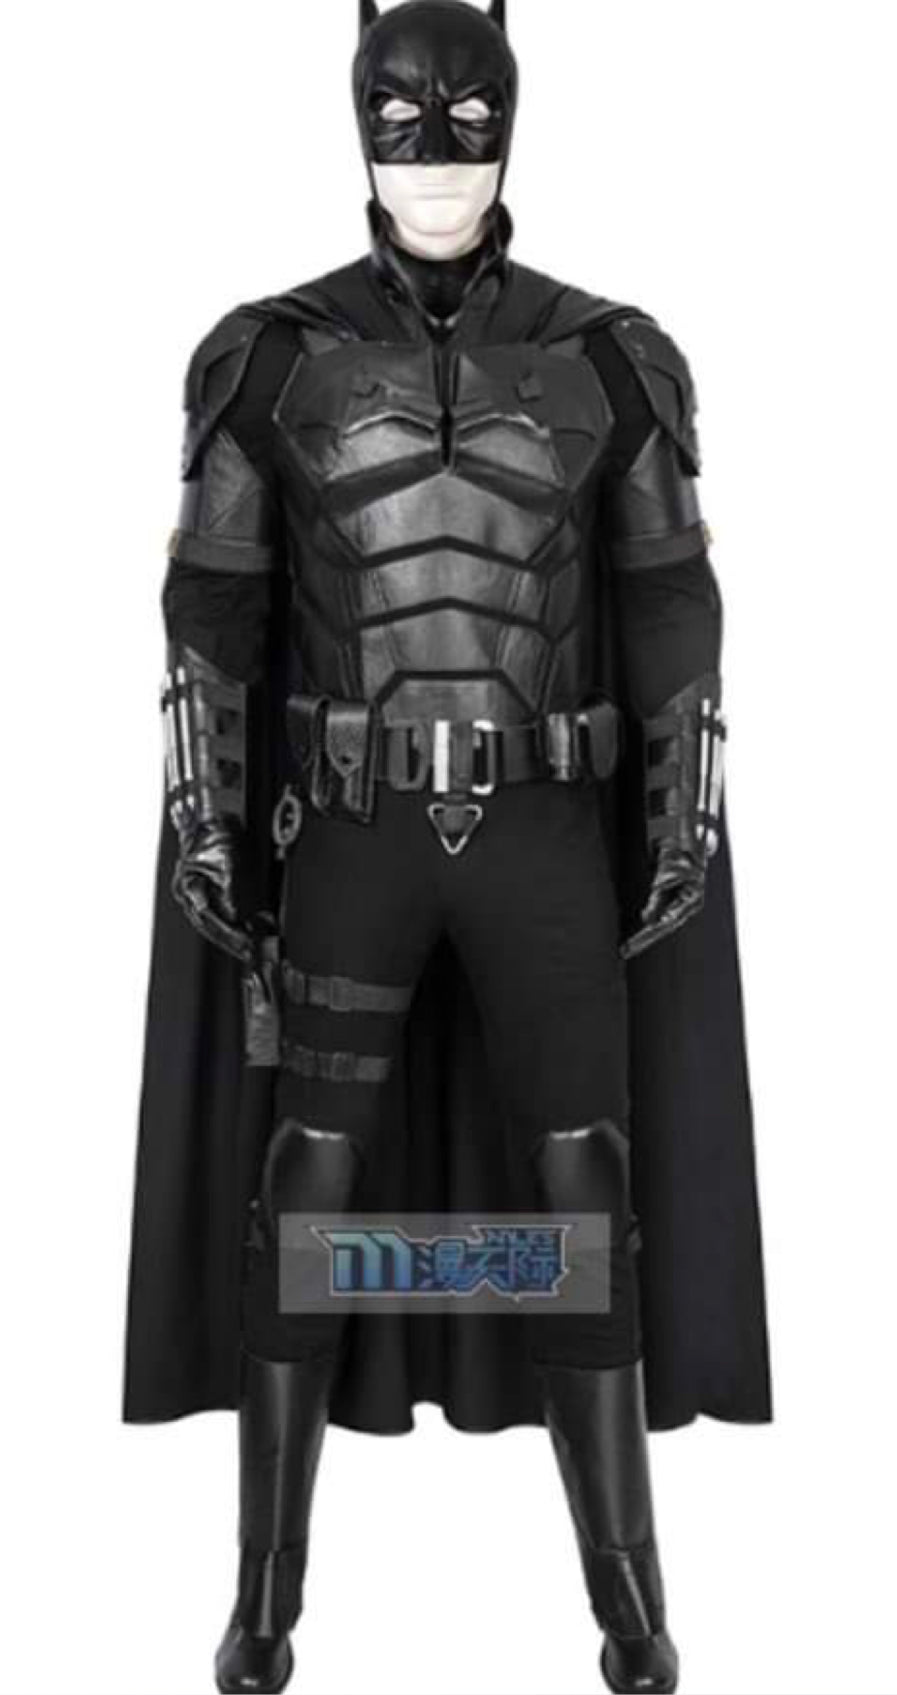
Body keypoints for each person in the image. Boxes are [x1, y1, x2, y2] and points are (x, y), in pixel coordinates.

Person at [124, 4, 771, 1691]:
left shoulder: (614, 355)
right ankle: (264, 1602)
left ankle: (631, 1608)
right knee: (303, 1186)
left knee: (586, 1187)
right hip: (350, 833)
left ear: (513, 125)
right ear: (356, 125)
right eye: (399, 117)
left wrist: (679, 810)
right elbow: (213, 611)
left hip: (546, 830)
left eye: (467, 117)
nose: (434, 152)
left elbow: (669, 603)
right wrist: (207, 816)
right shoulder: (265, 357)